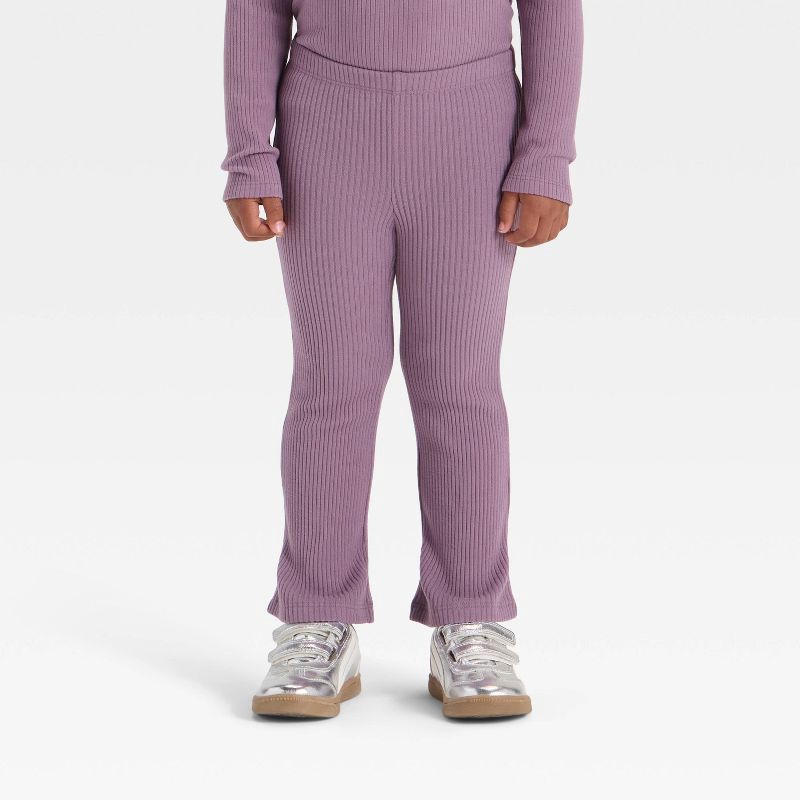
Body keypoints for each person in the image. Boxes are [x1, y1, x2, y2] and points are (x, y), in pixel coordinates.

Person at [222, 0, 583, 719]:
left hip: (471, 128)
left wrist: (547, 152)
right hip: (326, 126)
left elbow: (552, 9)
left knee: (461, 385)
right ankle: (315, 615)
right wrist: (248, 152)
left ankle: (472, 617)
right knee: (331, 384)